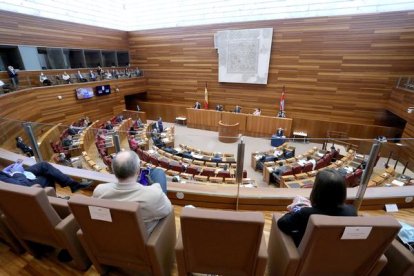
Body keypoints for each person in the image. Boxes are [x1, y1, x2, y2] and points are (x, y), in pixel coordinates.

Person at [92, 150, 172, 234]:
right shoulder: (153, 195)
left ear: (113, 171)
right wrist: (154, 187)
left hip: (113, 238)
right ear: (138, 171)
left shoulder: (99, 191)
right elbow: (168, 209)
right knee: (158, 172)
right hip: (143, 242)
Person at [277, 169, 357, 247]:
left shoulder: (306, 213)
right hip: (335, 253)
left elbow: (282, 223)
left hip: (305, 253)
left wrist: (297, 207)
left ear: (317, 191)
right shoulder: (351, 211)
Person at [0, 160, 91, 192]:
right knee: (48, 176)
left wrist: (5, 172)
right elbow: (21, 186)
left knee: (43, 165)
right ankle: (54, 199)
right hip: (19, 185)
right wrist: (16, 173)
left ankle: (72, 184)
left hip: (8, 177)